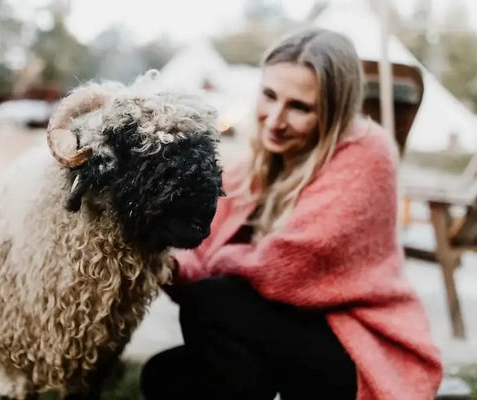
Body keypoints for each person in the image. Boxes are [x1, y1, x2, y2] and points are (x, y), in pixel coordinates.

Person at [139, 28, 443, 400]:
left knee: (212, 300)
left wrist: (208, 265)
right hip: (291, 333)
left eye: (300, 107)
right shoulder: (258, 163)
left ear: (333, 111)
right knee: (165, 375)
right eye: (269, 96)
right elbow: (198, 252)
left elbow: (285, 267)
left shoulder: (368, 153)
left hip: (358, 341)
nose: (275, 119)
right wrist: (159, 257)